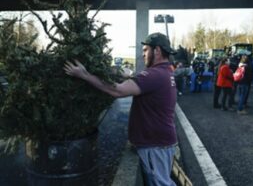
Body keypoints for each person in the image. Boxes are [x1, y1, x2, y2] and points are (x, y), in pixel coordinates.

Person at [64, 32, 177, 186]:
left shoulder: (154, 75)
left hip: (154, 146)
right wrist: (112, 72)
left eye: (145, 50)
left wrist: (85, 75)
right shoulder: (165, 72)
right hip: (159, 143)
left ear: (156, 51)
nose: (143, 54)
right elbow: (136, 79)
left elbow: (117, 91)